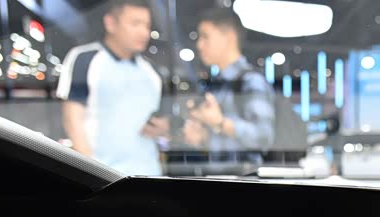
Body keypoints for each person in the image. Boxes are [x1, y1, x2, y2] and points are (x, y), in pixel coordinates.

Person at [56, 0, 166, 176]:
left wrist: (163, 127)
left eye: (147, 25)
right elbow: (73, 121)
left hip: (150, 175)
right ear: (111, 23)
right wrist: (93, 175)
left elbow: (160, 120)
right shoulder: (85, 59)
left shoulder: (152, 71)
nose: (144, 32)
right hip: (104, 177)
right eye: (135, 23)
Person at [183, 8, 275, 166]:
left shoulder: (251, 81)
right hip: (220, 176)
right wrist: (202, 137)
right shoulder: (218, 84)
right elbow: (224, 144)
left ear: (229, 37)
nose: (199, 45)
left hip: (243, 178)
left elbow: (264, 137)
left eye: (205, 36)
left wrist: (220, 123)